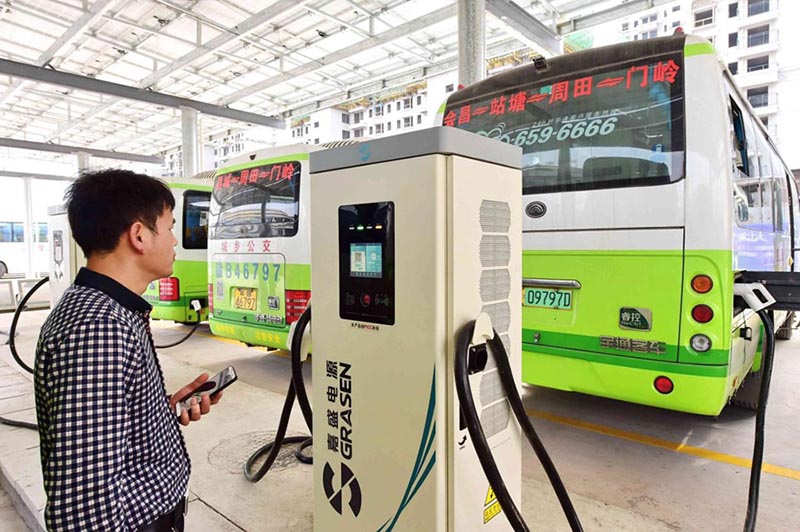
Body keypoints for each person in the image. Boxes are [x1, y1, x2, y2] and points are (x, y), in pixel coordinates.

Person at [34, 169, 222, 531]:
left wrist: (160, 411)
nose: (175, 242)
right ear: (139, 235)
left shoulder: (110, 311)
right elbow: (83, 509)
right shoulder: (98, 328)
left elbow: (102, 430)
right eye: (169, 228)